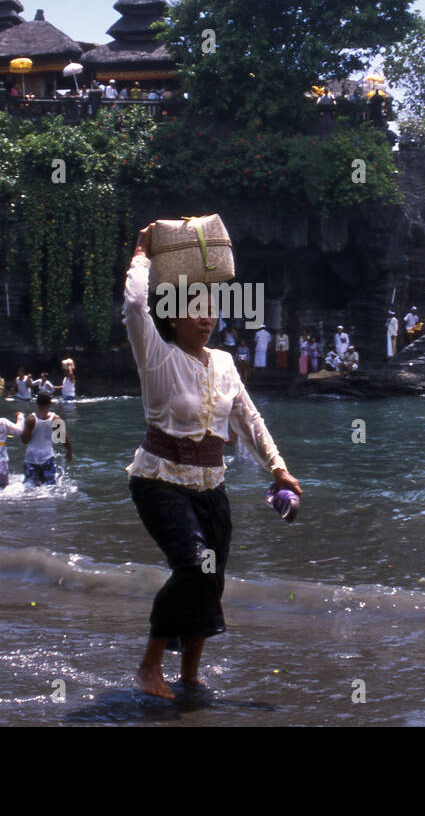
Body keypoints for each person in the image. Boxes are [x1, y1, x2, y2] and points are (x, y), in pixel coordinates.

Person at [123, 222, 302, 699]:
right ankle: (149, 666)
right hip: (158, 478)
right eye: (194, 312)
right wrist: (141, 255)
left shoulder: (223, 363)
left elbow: (249, 419)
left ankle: (189, 673)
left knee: (211, 578)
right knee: (191, 567)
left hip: (210, 484)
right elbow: (137, 306)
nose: (205, 319)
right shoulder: (155, 356)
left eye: (210, 311)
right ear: (174, 318)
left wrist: (278, 469)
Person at [21, 391, 70, 486]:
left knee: (29, 487)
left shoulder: (30, 419)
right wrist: (69, 451)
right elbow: (64, 438)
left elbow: (25, 441)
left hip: (31, 458)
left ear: (37, 403)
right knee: (50, 487)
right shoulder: (55, 419)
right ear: (50, 403)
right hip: (47, 458)